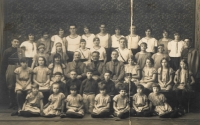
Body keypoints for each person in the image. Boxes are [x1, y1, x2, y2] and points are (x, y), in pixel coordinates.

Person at [1, 38, 24, 109]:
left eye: (18, 42)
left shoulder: (21, 51)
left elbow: (23, 60)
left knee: (19, 84)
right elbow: (4, 62)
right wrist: (4, 72)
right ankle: (12, 102)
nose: (16, 43)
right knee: (11, 85)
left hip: (19, 67)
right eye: (15, 42)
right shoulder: (7, 51)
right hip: (10, 67)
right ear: (12, 42)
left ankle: (18, 103)